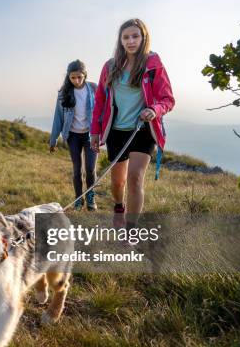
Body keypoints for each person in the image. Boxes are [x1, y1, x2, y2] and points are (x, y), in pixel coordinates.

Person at [90, 18, 175, 228]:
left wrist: (154, 110)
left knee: (135, 179)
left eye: (135, 36)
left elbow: (168, 99)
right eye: (126, 37)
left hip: (143, 130)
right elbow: (100, 101)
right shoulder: (110, 66)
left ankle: (131, 229)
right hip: (116, 131)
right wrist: (95, 132)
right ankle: (119, 207)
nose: (131, 41)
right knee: (118, 182)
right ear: (120, 40)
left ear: (143, 38)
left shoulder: (154, 65)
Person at [50, 59, 98, 211]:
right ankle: (78, 200)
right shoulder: (64, 92)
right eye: (73, 77)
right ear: (68, 77)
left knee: (90, 168)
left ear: (85, 75)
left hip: (91, 135)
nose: (76, 81)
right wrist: (53, 140)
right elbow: (58, 116)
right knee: (77, 169)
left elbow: (102, 111)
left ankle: (91, 198)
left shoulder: (94, 88)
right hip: (73, 136)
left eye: (79, 77)